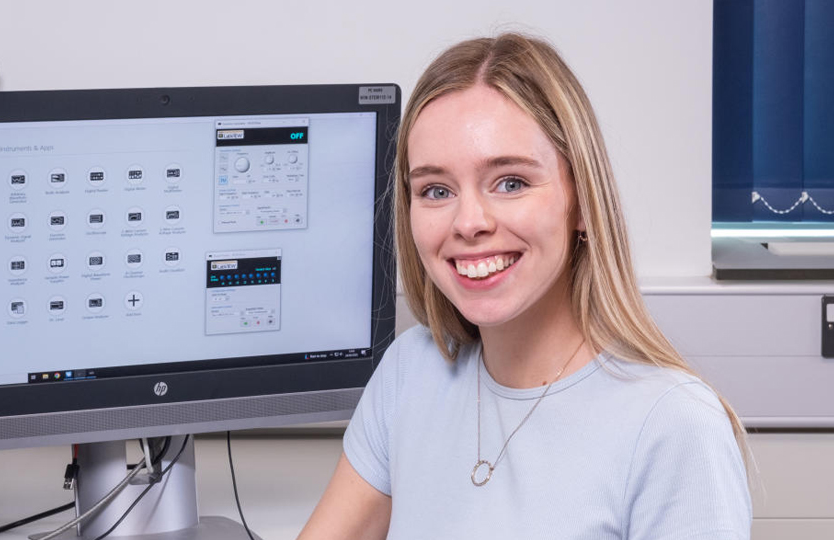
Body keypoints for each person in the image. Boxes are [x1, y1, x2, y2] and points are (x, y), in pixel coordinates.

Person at [299, 33, 752, 539]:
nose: (468, 222)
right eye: (436, 190)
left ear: (580, 201)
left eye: (510, 182)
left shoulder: (675, 426)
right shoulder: (410, 374)